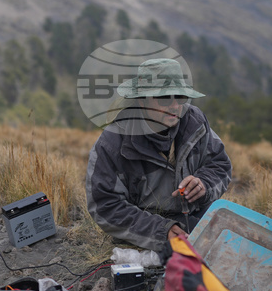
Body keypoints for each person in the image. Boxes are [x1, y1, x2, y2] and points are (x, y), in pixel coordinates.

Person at [86, 58, 233, 254]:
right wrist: (162, 232)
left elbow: (220, 164)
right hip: (142, 233)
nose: (174, 105)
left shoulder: (195, 122)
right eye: (164, 98)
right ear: (142, 100)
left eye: (180, 96)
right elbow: (105, 205)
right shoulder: (113, 142)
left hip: (196, 219)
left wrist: (204, 184)